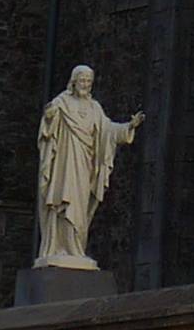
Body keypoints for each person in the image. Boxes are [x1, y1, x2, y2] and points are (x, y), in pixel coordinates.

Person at [34, 64, 141, 268]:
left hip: (84, 165)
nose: (85, 85)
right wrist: (49, 119)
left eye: (88, 82)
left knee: (79, 207)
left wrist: (129, 127)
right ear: (74, 82)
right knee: (62, 204)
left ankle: (76, 250)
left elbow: (107, 129)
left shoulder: (94, 108)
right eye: (82, 80)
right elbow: (48, 131)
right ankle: (59, 248)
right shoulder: (61, 103)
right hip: (64, 166)